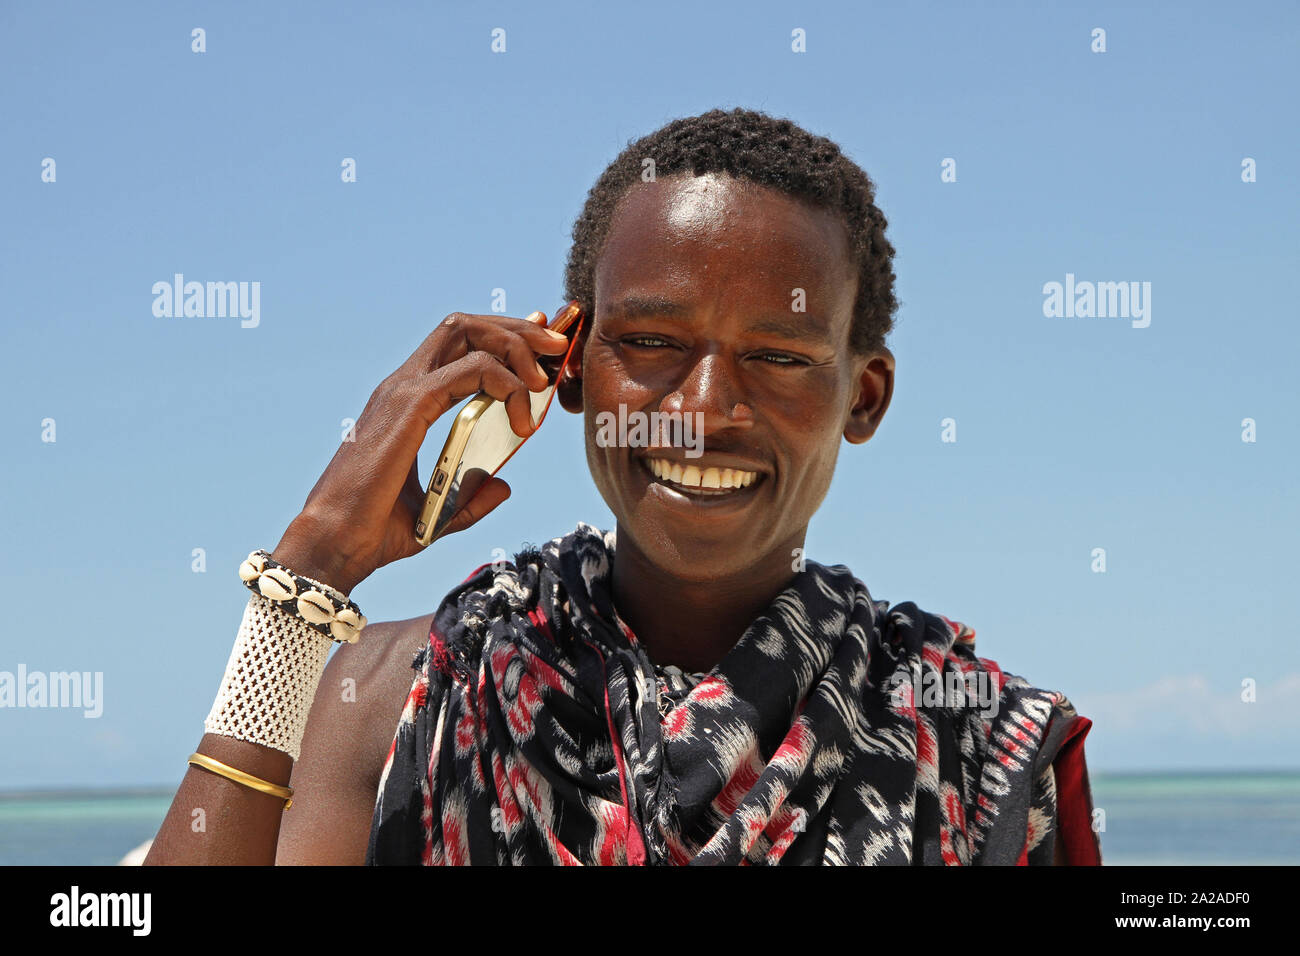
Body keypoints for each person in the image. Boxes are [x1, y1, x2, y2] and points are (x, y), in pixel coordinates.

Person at [145, 107, 1102, 866]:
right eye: (649, 342)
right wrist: (306, 575)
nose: (704, 406)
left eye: (777, 354)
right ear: (567, 365)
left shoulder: (971, 739)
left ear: (865, 396)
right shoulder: (395, 699)